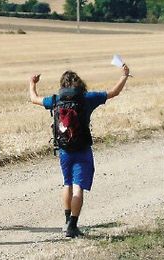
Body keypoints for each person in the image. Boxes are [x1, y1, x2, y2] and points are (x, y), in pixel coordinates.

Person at [29, 64, 130, 238]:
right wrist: (124, 76)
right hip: (82, 149)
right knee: (78, 187)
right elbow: (113, 92)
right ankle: (72, 226)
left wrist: (32, 83)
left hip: (64, 149)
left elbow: (34, 98)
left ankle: (67, 221)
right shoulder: (87, 98)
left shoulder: (55, 100)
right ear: (79, 83)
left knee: (67, 183)